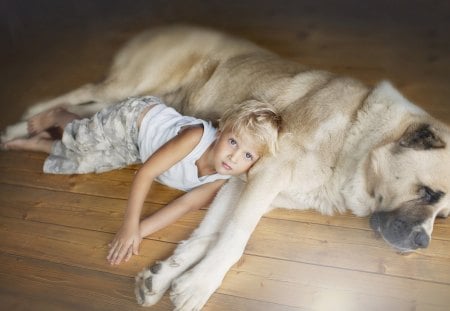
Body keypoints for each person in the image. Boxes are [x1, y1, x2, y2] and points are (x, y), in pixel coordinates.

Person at [2, 96, 281, 265]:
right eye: (233, 142)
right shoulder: (194, 138)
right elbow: (146, 173)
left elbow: (184, 205)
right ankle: (58, 115)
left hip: (140, 148)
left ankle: (39, 144)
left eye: (247, 155)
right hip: (134, 120)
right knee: (83, 141)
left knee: (88, 162)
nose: (233, 156)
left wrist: (139, 233)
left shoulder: (219, 180)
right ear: (220, 132)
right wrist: (128, 225)